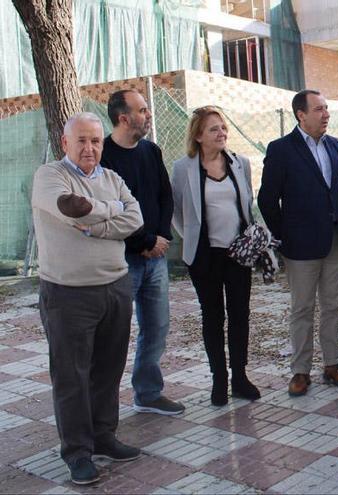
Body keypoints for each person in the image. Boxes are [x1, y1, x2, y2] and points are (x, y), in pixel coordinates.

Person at [31, 112, 144, 485]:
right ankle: (77, 453)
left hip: (115, 287)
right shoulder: (51, 176)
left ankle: (103, 436)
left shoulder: (112, 178)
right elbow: (71, 209)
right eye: (81, 140)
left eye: (95, 141)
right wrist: (114, 212)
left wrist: (97, 227)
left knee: (108, 370)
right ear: (65, 143)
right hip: (68, 293)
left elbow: (137, 219)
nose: (89, 148)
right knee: (71, 377)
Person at [258, 90, 338, 397]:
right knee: (302, 308)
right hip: (300, 246)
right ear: (301, 114)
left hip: (334, 240)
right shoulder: (281, 149)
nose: (325, 114)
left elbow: (333, 191)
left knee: (334, 307)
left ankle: (333, 364)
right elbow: (267, 199)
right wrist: (283, 236)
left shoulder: (334, 145)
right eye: (319, 110)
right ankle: (300, 372)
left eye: (327, 109)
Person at [171, 106, 261, 406]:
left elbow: (246, 204)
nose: (221, 132)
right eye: (213, 129)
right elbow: (177, 210)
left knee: (240, 315)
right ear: (198, 135)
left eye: (223, 127)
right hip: (204, 257)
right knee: (212, 317)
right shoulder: (183, 168)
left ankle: (240, 377)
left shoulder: (240, 163)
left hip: (238, 253)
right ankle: (218, 380)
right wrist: (192, 240)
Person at [101, 90, 184, 416]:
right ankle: (102, 406)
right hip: (121, 260)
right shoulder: (103, 155)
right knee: (114, 334)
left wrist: (161, 237)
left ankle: (148, 393)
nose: (149, 114)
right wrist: (145, 242)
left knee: (157, 327)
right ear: (124, 118)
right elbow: (111, 212)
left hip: (156, 257)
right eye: (143, 110)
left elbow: (165, 196)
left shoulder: (151, 151)